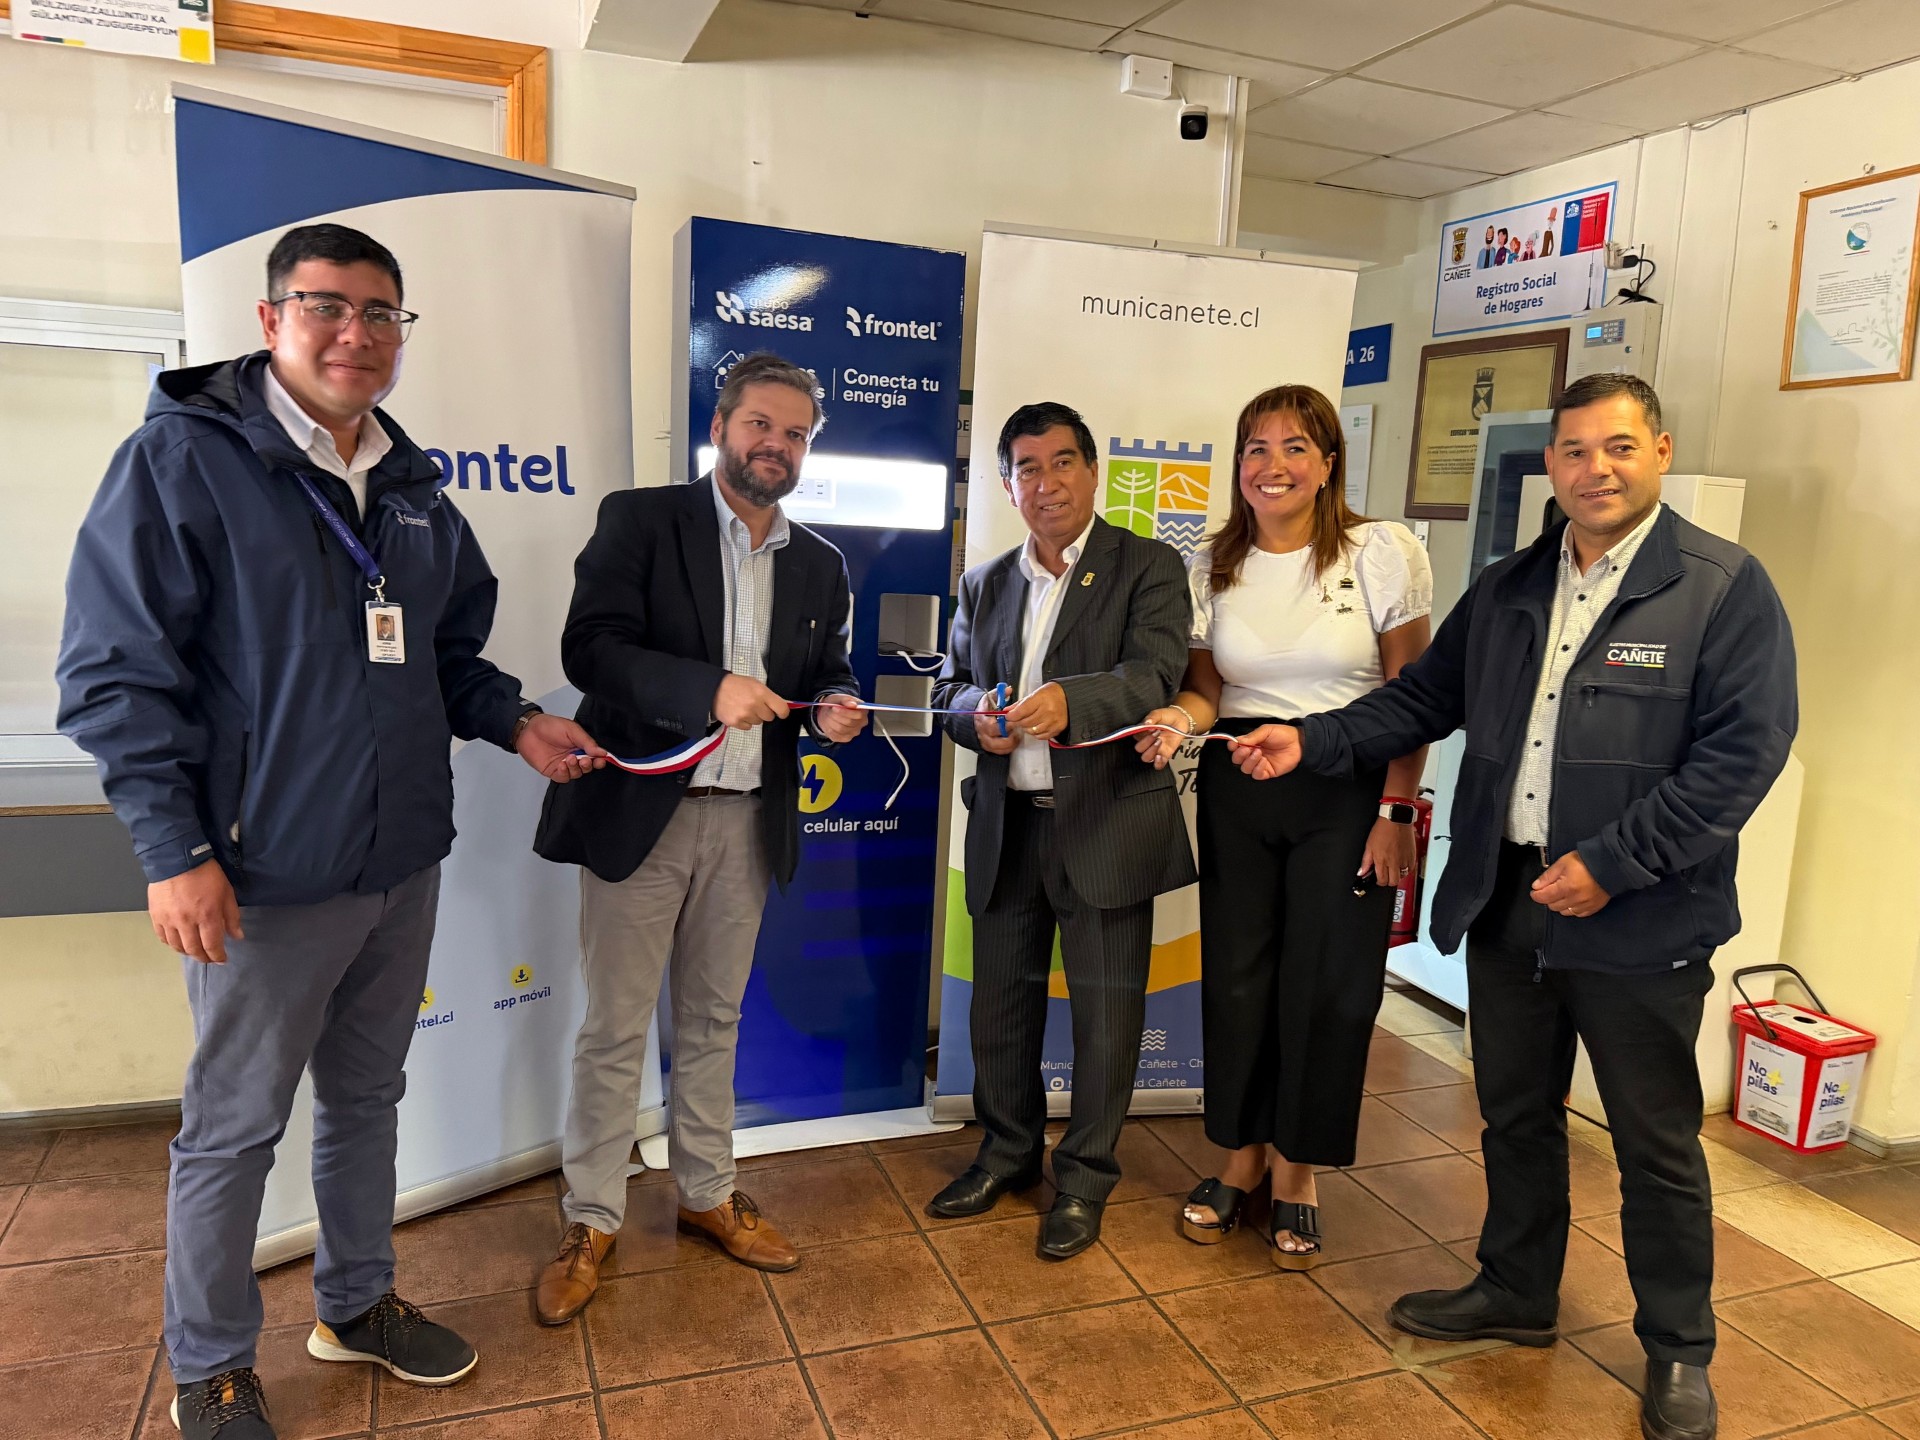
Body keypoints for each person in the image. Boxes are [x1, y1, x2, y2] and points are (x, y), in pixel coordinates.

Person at [56, 223, 605, 1440]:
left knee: (366, 1099)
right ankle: (210, 1367)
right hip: (260, 876)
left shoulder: (412, 490)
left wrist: (518, 723)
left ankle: (356, 1303)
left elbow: (447, 658)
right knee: (234, 1132)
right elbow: (112, 679)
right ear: (270, 322)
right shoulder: (182, 464)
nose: (357, 333)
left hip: (399, 863)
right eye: (327, 306)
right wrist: (174, 853)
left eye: (381, 313)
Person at [1229, 374, 1796, 1440]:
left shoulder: (1722, 588)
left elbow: (1741, 758)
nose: (1595, 469)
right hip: (1509, 900)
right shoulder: (1510, 586)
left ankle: (1679, 1349)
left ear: (1660, 451)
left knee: (1654, 1144)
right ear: (1553, 465)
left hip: (1639, 919)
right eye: (1574, 450)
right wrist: (1313, 740)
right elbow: (1419, 699)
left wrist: (1616, 863)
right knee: (1517, 1116)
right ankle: (1518, 1289)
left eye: (1618, 447)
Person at [530, 352, 866, 1323]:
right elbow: (591, 648)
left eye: (796, 433)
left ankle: (707, 1192)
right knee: (615, 1029)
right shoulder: (642, 520)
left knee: (715, 1020)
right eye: (761, 424)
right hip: (644, 813)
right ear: (720, 427)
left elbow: (828, 668)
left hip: (748, 821)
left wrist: (835, 705)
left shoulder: (820, 563)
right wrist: (706, 690)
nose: (777, 446)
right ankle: (591, 1217)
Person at [1135, 384, 1431, 1267]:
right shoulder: (1211, 564)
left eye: (1296, 447)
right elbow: (1206, 690)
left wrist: (1397, 809)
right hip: (1240, 786)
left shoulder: (1380, 552)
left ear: (1329, 464)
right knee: (1237, 981)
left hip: (1348, 790)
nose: (1274, 466)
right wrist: (1179, 719)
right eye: (1256, 448)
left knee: (1328, 986)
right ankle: (1240, 1155)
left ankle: (1298, 1166)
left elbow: (1413, 698)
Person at [926, 402, 1196, 1259]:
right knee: (999, 1009)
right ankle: (1006, 1153)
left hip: (1106, 825)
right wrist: (977, 715)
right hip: (1008, 826)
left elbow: (1155, 672)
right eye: (1028, 468)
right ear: (1007, 485)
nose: (1047, 483)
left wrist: (1069, 702)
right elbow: (949, 689)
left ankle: (1083, 1180)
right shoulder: (984, 583)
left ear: (1093, 471)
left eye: (1063, 462)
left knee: (1107, 1019)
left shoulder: (1148, 565)